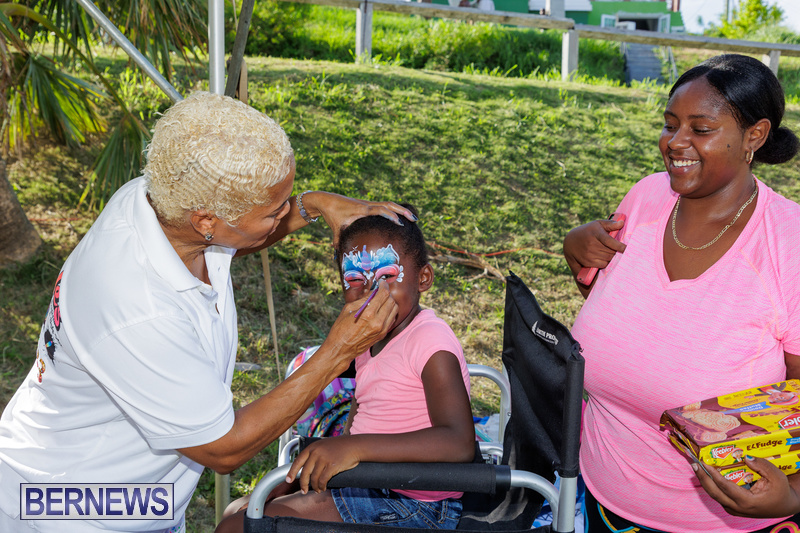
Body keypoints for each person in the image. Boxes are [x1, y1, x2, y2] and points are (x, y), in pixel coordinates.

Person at [0, 91, 418, 533]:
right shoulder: (138, 308)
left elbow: (238, 239)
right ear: (205, 221)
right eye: (274, 210)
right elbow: (223, 448)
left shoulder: (159, 201)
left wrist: (313, 205)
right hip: (71, 507)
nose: (285, 214)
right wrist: (337, 351)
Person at [563, 54, 800, 532]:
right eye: (670, 125)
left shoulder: (788, 241)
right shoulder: (646, 197)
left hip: (724, 520)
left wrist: (795, 495)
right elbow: (631, 323)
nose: (674, 143)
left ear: (754, 136)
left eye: (701, 128)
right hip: (602, 502)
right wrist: (575, 253)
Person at [217, 207, 475, 531]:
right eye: (354, 279)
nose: (370, 292)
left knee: (236, 527)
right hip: (368, 481)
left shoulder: (430, 340)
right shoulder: (368, 337)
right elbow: (362, 413)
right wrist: (300, 477)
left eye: (387, 276)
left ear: (423, 278)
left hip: (415, 505)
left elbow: (459, 442)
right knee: (237, 510)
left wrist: (352, 448)